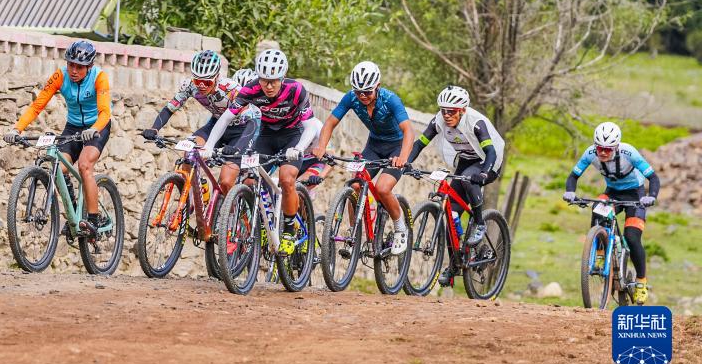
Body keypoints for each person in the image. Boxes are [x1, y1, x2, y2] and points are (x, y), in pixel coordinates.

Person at [202, 49, 315, 255]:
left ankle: (289, 230)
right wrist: (209, 146)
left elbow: (311, 126)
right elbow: (226, 118)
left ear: (283, 77)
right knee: (249, 180)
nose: (269, 86)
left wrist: (299, 148)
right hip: (265, 135)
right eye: (264, 81)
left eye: (274, 81)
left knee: (286, 178)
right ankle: (262, 224)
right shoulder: (251, 89)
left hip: (293, 135)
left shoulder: (296, 90)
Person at [4, 40, 112, 237]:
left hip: (97, 126)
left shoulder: (99, 77)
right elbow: (37, 106)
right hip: (73, 127)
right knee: (59, 170)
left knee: (85, 165)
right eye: (71, 65)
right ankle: (74, 215)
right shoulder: (60, 76)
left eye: (79, 67)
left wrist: (94, 128)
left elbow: (105, 112)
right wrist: (16, 129)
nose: (74, 70)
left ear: (89, 66)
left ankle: (94, 220)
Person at [312, 61, 414, 254]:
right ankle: (355, 235)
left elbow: (408, 130)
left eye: (367, 92)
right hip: (374, 146)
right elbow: (330, 123)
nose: (362, 96)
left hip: (396, 147)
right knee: (356, 186)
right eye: (358, 92)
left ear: (377, 86)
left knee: (383, 188)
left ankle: (401, 228)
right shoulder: (351, 98)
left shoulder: (390, 100)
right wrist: (322, 147)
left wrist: (402, 157)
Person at [406, 85, 505, 285]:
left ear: (462, 110)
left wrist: (484, 173)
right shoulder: (439, 120)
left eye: (451, 111)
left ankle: (479, 223)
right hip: (466, 160)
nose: (447, 115)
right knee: (451, 215)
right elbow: (420, 143)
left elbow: (491, 153)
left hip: (488, 161)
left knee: (469, 179)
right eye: (443, 110)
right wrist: (406, 162)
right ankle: (454, 265)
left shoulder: (475, 123)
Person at [563, 121, 660, 304]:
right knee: (598, 208)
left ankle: (641, 282)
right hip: (612, 193)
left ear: (616, 147)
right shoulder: (590, 153)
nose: (603, 152)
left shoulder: (629, 153)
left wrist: (651, 196)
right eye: (600, 148)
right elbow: (573, 176)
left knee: (632, 237)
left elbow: (653, 178)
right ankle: (599, 254)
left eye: (608, 149)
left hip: (636, 195)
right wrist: (570, 192)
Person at [140, 50, 259, 160]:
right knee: (190, 153)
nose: (201, 86)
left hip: (241, 128)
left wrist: (237, 147)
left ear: (217, 77)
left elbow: (252, 121)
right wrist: (154, 128)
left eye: (207, 82)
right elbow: (170, 108)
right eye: (197, 81)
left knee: (227, 175)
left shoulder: (231, 89)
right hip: (216, 123)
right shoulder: (190, 85)